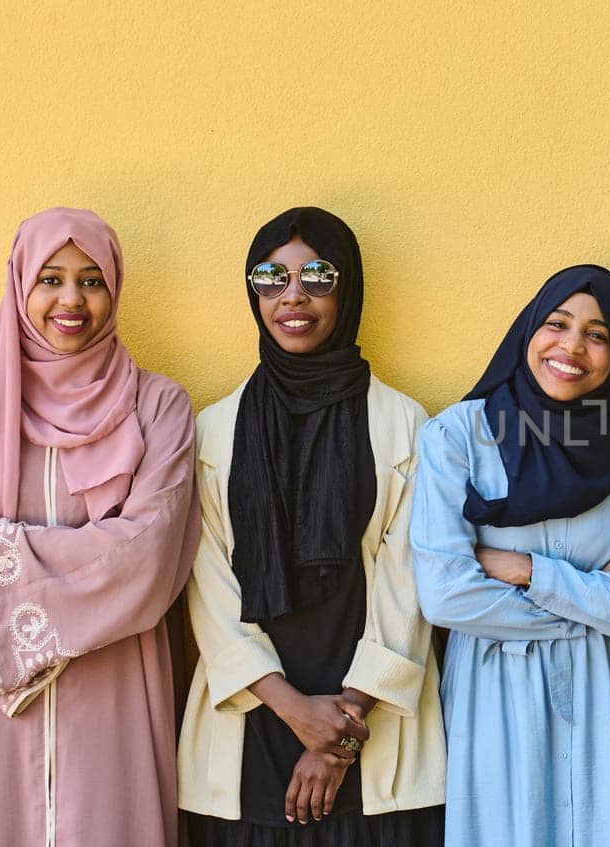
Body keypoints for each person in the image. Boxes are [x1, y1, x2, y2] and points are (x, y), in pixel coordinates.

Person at [0, 207, 199, 846]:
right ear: (20, 287)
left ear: (114, 290)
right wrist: (5, 635)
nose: (71, 299)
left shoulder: (157, 406)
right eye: (51, 279)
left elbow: (146, 555)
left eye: (92, 280)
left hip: (112, 687)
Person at [178, 207, 447, 844]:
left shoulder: (403, 424)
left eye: (317, 276)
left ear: (346, 287)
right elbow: (209, 588)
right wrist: (295, 711)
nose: (292, 296)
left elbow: (411, 582)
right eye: (271, 278)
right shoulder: (215, 431)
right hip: (254, 723)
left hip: (374, 725)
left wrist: (341, 730)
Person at [413, 264, 610, 846]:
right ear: (529, 330)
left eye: (598, 334)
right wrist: (599, 600)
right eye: (557, 324)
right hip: (498, 698)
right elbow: (444, 595)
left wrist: (525, 571)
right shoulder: (458, 435)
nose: (572, 347)